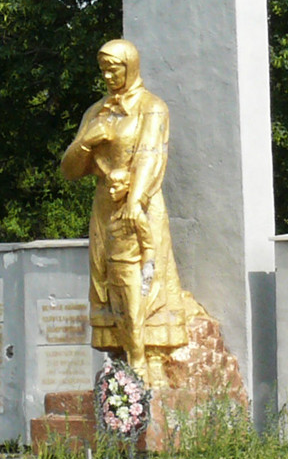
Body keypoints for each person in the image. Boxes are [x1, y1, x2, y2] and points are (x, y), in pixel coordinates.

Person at [61, 39, 201, 384]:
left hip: (140, 207)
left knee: (144, 282)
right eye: (104, 69)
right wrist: (87, 141)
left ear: (131, 66)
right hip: (105, 208)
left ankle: (152, 361)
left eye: (115, 68)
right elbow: (70, 170)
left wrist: (135, 200)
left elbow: (151, 156)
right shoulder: (97, 111)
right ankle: (122, 361)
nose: (109, 75)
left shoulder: (151, 108)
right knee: (109, 282)